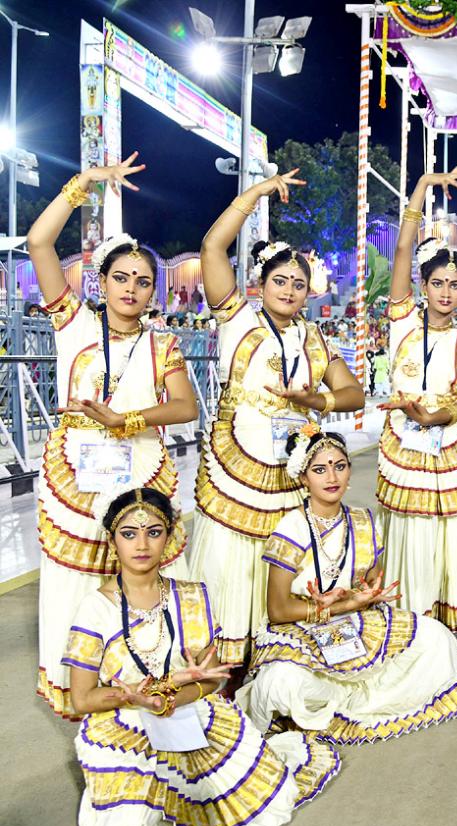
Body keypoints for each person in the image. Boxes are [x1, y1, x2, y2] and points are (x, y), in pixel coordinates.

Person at [64, 488, 339, 826]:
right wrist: (130, 696)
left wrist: (171, 696)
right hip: (121, 724)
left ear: (170, 537)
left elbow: (212, 679)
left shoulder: (190, 596)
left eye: (154, 532)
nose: (142, 544)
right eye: (129, 533)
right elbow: (82, 698)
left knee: (245, 807)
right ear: (112, 540)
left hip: (188, 713)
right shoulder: (94, 608)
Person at [27, 153, 198, 717]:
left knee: (142, 574)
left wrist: (124, 422)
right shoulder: (71, 321)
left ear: (154, 292)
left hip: (139, 467)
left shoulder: (162, 343)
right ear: (101, 281)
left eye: (143, 281)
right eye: (121, 277)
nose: (131, 288)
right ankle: (78, 689)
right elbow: (38, 244)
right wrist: (84, 185)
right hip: (75, 472)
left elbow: (184, 407)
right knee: (73, 581)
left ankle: (139, 682)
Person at [189, 169, 365, 666]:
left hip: (291, 476)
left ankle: (275, 668)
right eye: (280, 281)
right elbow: (210, 249)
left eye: (299, 284)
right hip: (237, 470)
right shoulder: (237, 316)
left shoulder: (312, 337)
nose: (289, 290)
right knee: (229, 570)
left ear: (309, 292)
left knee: (281, 573)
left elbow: (353, 392)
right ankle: (220, 677)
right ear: (260, 284)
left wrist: (318, 404)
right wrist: (258, 193)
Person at [237, 427, 457, 741]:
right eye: (320, 469)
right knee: (280, 683)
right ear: (303, 478)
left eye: (339, 466)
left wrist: (366, 594)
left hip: (356, 624)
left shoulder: (363, 520)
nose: (332, 477)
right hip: (302, 630)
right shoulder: (291, 527)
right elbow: (278, 610)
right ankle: (344, 699)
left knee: (437, 639)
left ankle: (354, 701)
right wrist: (340, 605)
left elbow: (369, 578)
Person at [374, 165, 457, 631]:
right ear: (423, 285)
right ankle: (408, 627)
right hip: (405, 440)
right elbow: (402, 249)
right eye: (437, 283)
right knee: (409, 536)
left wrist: (442, 415)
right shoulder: (402, 322)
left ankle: (449, 635)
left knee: (452, 537)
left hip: (449, 442)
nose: (446, 292)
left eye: (454, 285)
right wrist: (421, 188)